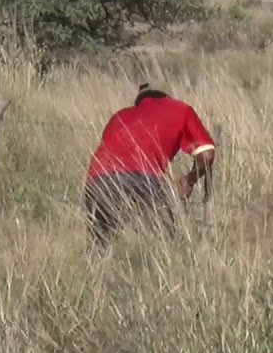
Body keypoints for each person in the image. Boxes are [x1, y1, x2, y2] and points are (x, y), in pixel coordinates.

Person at [83, 81, 216, 246]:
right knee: (164, 243)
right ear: (168, 96)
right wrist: (190, 180)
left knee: (100, 246)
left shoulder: (119, 116)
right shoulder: (180, 109)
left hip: (97, 181)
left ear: (139, 99)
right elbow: (207, 154)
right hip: (143, 179)